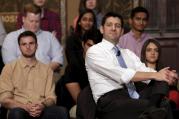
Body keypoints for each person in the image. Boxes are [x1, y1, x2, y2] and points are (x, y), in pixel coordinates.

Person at [85, 12, 178, 119]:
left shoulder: (127, 53)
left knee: (161, 79)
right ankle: (152, 109)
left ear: (122, 31)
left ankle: (151, 108)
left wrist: (166, 75)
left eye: (118, 25)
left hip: (132, 96)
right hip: (110, 100)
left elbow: (144, 70)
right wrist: (155, 75)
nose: (114, 28)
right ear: (101, 29)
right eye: (109, 25)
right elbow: (121, 75)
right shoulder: (94, 51)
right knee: (163, 105)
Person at [0, 31, 69, 119]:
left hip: (41, 109)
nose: (28, 47)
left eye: (31, 43)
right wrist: (25, 107)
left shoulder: (47, 70)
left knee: (61, 112)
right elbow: (4, 99)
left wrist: (42, 105)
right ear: (19, 47)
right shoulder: (9, 68)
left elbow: (51, 98)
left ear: (37, 45)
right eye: (24, 44)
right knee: (16, 113)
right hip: (20, 109)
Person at [2, 3, 63, 72]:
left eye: (37, 21)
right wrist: (31, 74)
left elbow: (58, 57)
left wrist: (44, 71)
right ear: (23, 19)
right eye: (31, 21)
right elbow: (9, 62)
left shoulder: (49, 36)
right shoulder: (11, 38)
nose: (34, 24)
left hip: (46, 75)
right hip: (20, 77)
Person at [56, 29, 102, 111]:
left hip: (97, 103)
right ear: (83, 44)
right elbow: (79, 100)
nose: (92, 50)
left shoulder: (103, 65)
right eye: (89, 45)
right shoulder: (73, 66)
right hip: (73, 106)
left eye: (96, 47)